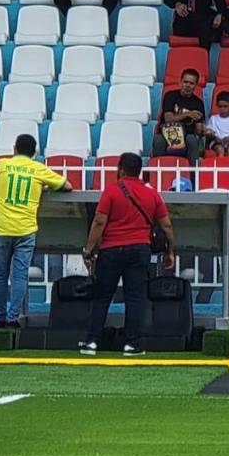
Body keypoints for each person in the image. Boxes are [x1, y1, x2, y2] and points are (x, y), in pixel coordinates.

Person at [81, 152, 176, 356]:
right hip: (140, 249)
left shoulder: (112, 191)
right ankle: (132, 344)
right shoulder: (151, 194)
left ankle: (92, 342)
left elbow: (99, 222)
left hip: (111, 249)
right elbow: (166, 225)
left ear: (120, 169)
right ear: (139, 171)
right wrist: (170, 251)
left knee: (102, 296)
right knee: (135, 297)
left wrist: (89, 249)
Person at [0, 134, 72, 329]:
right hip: (25, 229)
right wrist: (42, 186)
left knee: (1, 276)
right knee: (19, 276)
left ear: (14, 149)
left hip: (2, 227)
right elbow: (67, 186)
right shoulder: (39, 169)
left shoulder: (2, 164)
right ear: (35, 153)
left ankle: (0, 318)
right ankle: (13, 319)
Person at [152, 68, 205, 165]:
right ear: (180, 81)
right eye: (185, 82)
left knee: (192, 140)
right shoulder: (170, 96)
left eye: (191, 83)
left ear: (196, 85)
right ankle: (157, 174)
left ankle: (194, 176)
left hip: (186, 136)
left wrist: (201, 128)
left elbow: (199, 129)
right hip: (167, 133)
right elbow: (168, 118)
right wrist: (188, 114)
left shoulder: (198, 102)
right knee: (158, 140)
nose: (188, 86)